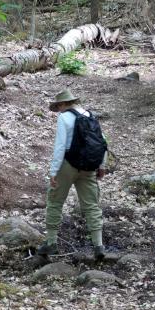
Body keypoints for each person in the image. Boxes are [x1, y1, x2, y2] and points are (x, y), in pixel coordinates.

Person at [38, 89, 106, 259]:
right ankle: (98, 246)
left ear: (62, 104)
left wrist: (53, 172)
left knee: (55, 201)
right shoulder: (90, 115)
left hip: (68, 165)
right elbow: (101, 142)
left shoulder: (64, 117)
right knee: (92, 205)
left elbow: (60, 146)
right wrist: (101, 165)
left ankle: (51, 243)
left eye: (58, 106)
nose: (58, 110)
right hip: (89, 167)